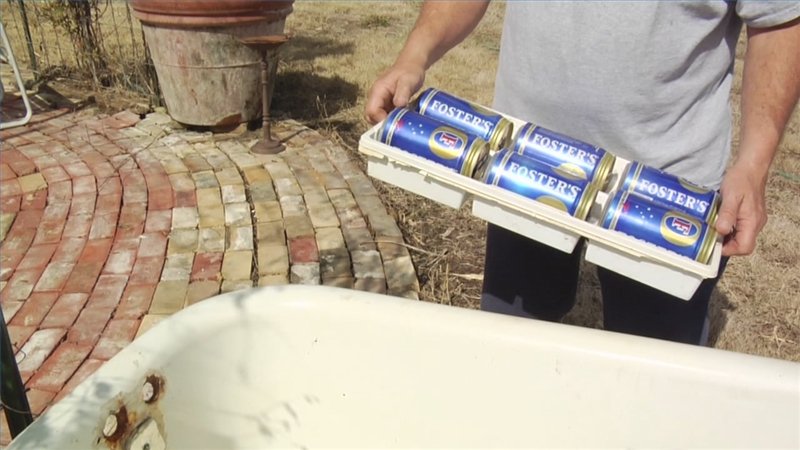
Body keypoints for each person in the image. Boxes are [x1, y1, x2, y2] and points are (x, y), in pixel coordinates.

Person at [365, 2, 800, 345]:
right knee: (515, 347)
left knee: (652, 377)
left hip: (668, 184)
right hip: (525, 163)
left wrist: (754, 164)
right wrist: (414, 55)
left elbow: (780, 21)